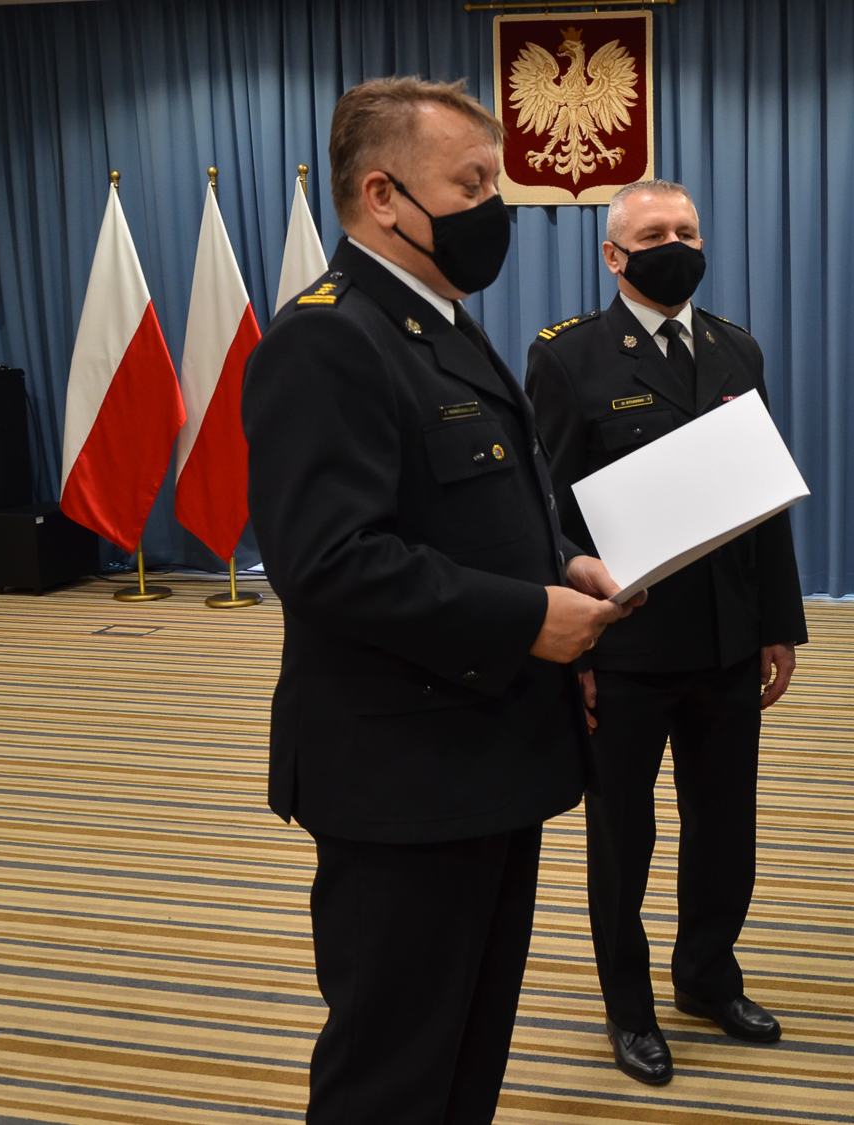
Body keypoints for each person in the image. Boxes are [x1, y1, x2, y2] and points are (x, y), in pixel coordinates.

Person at [243, 76, 638, 1123]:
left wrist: (561, 564)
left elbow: (477, 510)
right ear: (383, 196)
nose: (493, 206)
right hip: (401, 777)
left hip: (486, 754)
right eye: (471, 184)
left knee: (466, 1053)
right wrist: (529, 620)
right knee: (392, 1072)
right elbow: (328, 560)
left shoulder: (441, 325)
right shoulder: (328, 337)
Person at [524, 179, 808, 1086]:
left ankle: (707, 977)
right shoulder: (567, 357)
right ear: (614, 255)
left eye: (687, 230)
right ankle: (630, 1006)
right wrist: (573, 645)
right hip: (626, 649)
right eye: (653, 235)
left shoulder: (736, 348)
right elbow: (545, 516)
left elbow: (763, 503)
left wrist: (778, 625)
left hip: (727, 640)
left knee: (726, 828)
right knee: (625, 840)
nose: (675, 245)